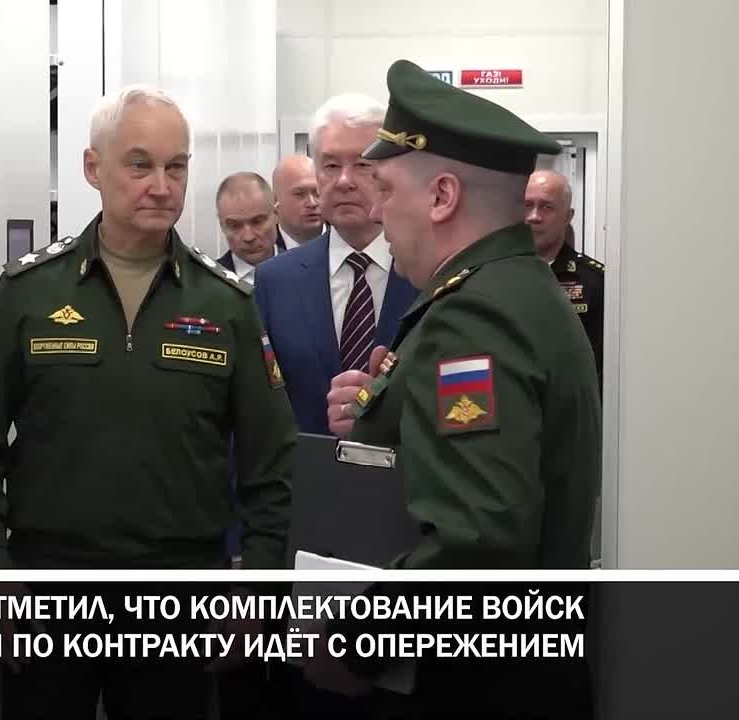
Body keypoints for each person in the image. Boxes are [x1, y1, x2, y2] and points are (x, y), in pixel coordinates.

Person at [0, 84, 297, 720]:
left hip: (181, 594)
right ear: (92, 167)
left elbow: (271, 458)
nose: (161, 185)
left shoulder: (225, 302)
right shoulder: (31, 290)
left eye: (176, 167)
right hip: (49, 590)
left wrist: (258, 582)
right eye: (139, 164)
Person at [312, 59, 599, 718]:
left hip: (475, 687)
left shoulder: (472, 316)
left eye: (386, 189)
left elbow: (478, 540)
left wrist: (352, 645)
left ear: (442, 197)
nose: (377, 212)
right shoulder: (516, 288)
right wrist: (383, 411)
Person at [253, 93, 420, 434]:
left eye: (362, 164)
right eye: (330, 166)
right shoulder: (274, 281)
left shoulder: (430, 276)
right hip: (307, 467)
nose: (344, 181)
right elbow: (256, 409)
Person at [526, 169, 605, 385]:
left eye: (547, 207)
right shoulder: (493, 276)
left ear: (568, 217)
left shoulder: (595, 281)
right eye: (527, 205)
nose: (534, 216)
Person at [215, 172, 280, 284]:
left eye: (257, 222)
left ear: (276, 215)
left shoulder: (305, 273)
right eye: (235, 226)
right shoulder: (208, 283)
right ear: (222, 225)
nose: (248, 237)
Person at [271, 154, 324, 250]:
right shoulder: (262, 250)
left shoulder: (346, 239)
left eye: (317, 192)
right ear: (275, 200)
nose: (312, 203)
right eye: (299, 194)